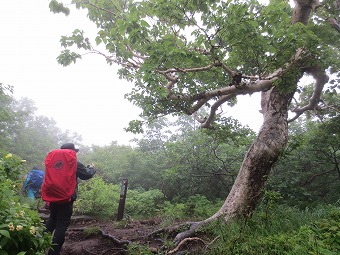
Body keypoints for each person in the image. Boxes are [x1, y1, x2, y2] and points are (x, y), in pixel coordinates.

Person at [45, 143, 96, 255]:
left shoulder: (54, 162)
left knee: (53, 219)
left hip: (53, 197)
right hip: (66, 199)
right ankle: (53, 253)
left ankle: (38, 244)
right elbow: (86, 175)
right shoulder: (73, 163)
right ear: (72, 152)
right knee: (61, 225)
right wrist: (92, 168)